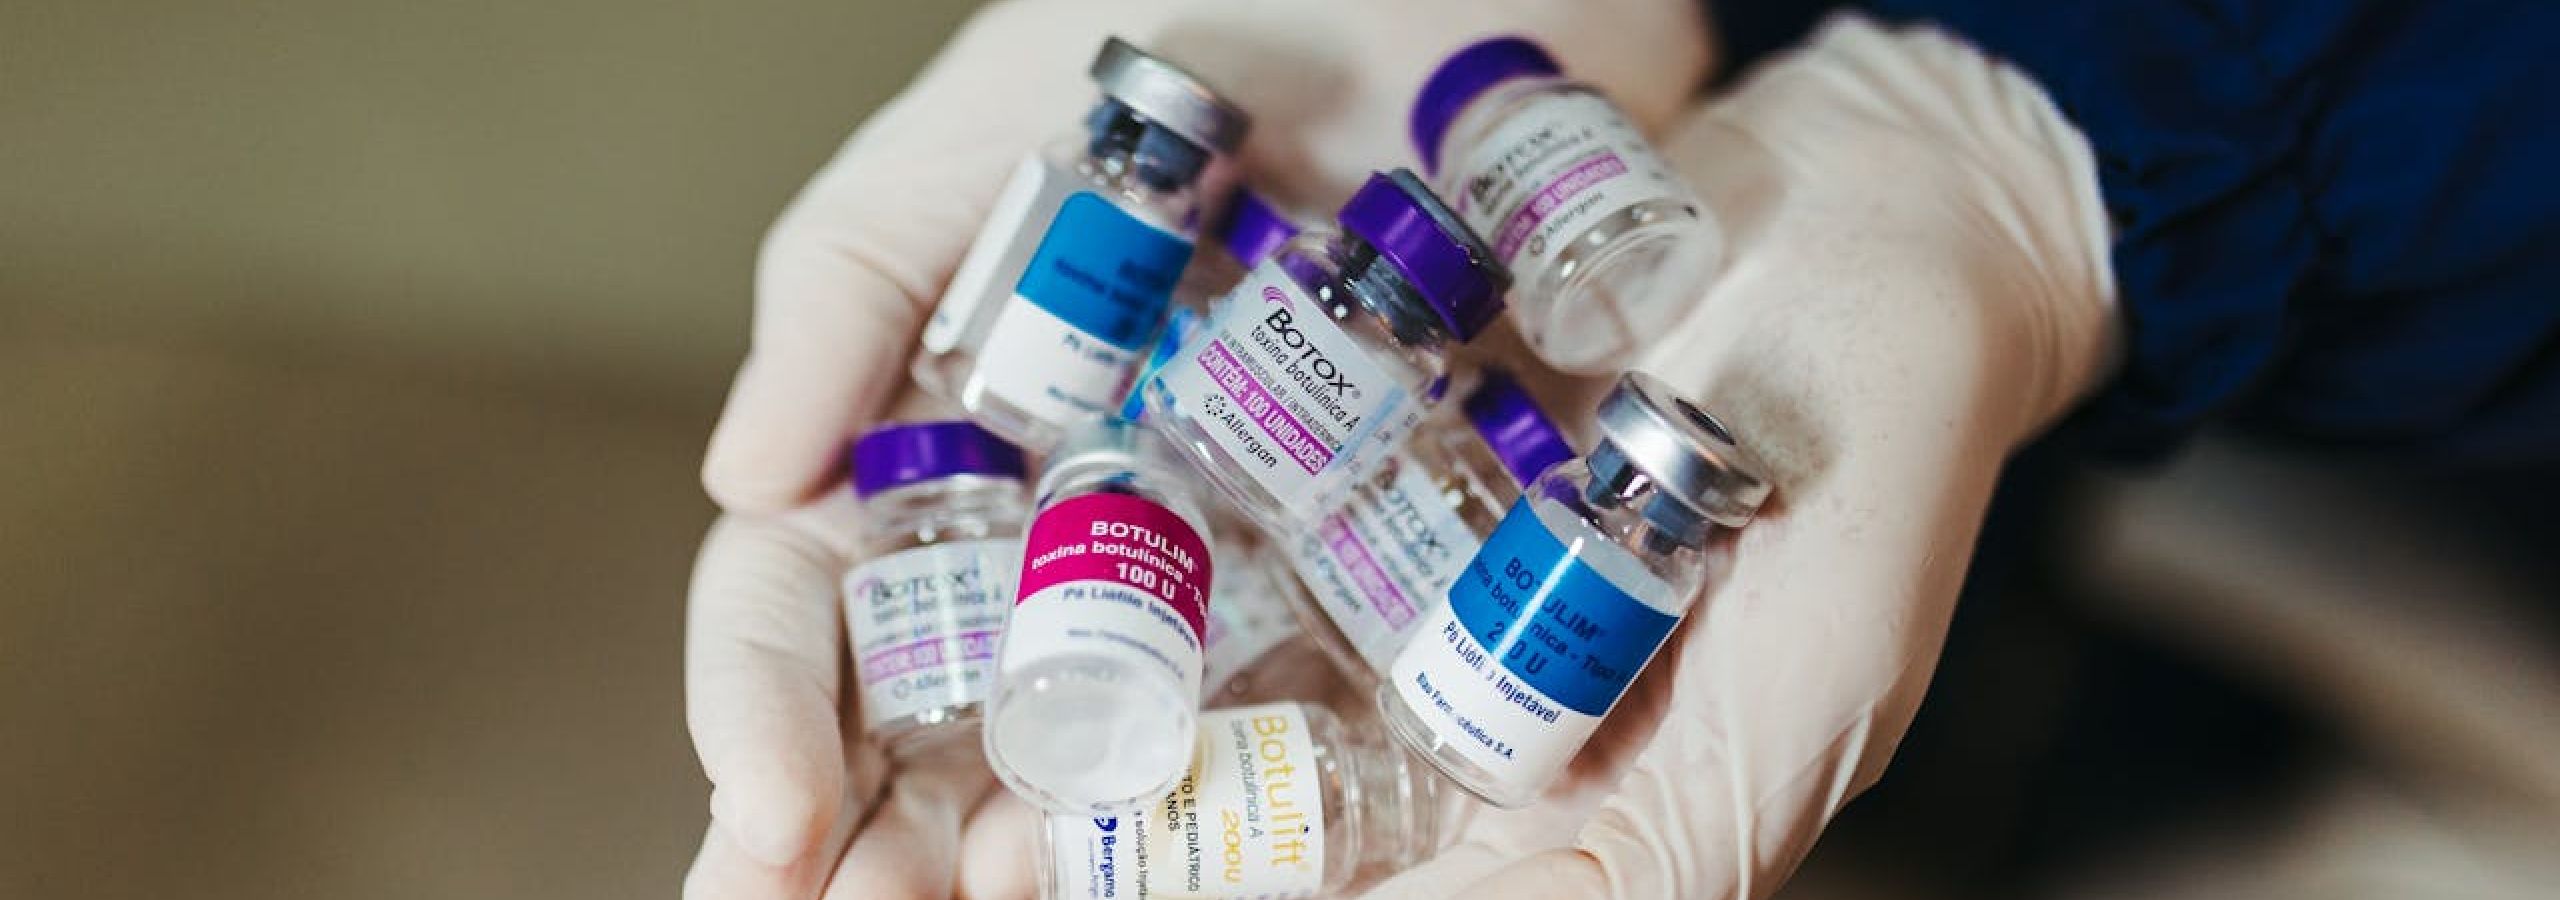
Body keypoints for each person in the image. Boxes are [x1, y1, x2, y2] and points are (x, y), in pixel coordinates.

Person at [678, 1, 2560, 898]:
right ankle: (2119, 777)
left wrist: (2029, 150)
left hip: (2418, 223)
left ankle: (2215, 768)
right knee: (1950, 641)